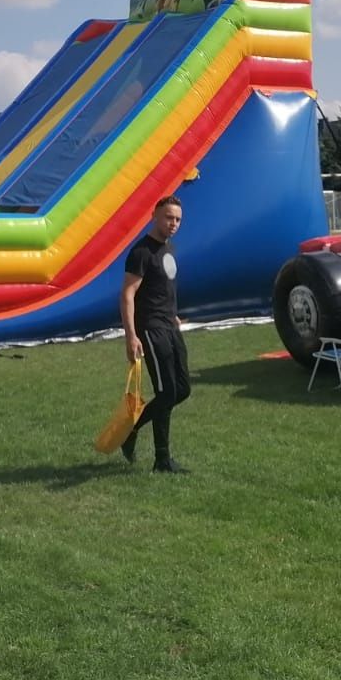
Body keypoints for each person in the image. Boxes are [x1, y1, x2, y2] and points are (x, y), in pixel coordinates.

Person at [119, 195, 191, 473]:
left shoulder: (168, 248)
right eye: (168, 217)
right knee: (166, 391)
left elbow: (162, 287)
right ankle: (162, 460)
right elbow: (127, 293)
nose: (173, 223)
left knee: (182, 389)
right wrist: (131, 335)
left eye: (177, 219)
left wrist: (171, 313)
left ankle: (132, 430)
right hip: (150, 330)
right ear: (155, 216)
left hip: (169, 326)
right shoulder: (141, 252)